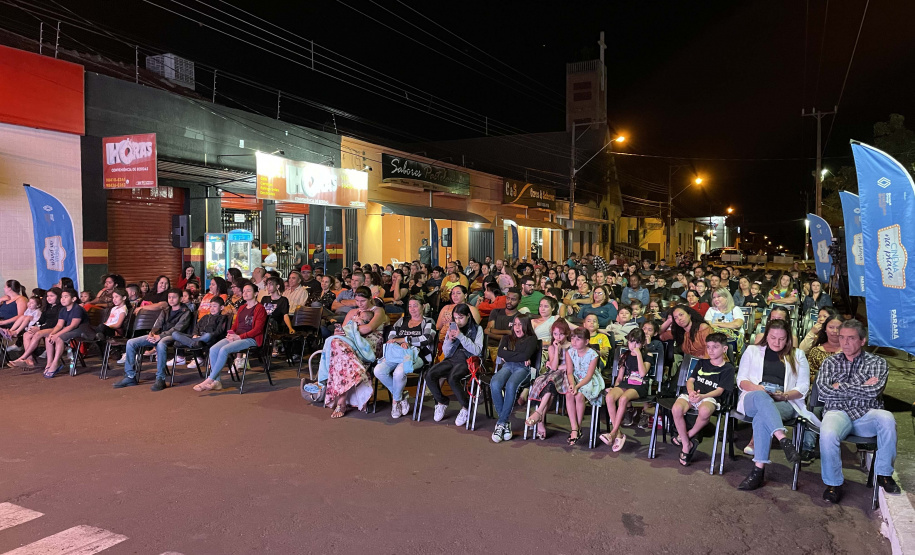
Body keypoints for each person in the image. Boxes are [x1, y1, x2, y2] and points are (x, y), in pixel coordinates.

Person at [817, 320, 900, 503]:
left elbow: (873, 392)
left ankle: (884, 475)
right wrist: (861, 385)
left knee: (887, 418)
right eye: (842, 338)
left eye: (851, 338)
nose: (845, 343)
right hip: (837, 412)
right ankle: (833, 484)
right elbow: (823, 392)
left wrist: (840, 387)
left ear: (862, 341)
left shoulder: (878, 363)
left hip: (866, 415)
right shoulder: (830, 362)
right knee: (828, 432)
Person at [735, 319, 811, 491]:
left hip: (784, 400)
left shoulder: (797, 355)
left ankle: (757, 471)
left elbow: (803, 388)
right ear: (766, 335)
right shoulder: (752, 350)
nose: (777, 342)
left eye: (782, 339)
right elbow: (741, 380)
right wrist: (759, 390)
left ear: (788, 338)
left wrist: (783, 395)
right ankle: (783, 439)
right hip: (752, 395)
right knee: (762, 399)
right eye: (773, 338)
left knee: (763, 417)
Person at [670, 332, 735, 466]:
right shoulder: (701, 362)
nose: (710, 350)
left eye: (715, 347)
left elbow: (719, 391)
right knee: (676, 409)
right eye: (708, 347)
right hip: (692, 394)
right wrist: (691, 392)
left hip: (709, 397)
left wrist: (702, 396)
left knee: (705, 411)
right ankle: (686, 444)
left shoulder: (728, 368)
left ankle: (686, 436)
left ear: (724, 349)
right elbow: (690, 380)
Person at [319, 286, 385, 416]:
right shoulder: (352, 312)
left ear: (370, 299)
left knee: (338, 348)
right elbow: (342, 331)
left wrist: (352, 330)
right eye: (357, 301)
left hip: (369, 346)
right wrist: (340, 332)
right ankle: (342, 398)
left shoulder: (378, 311)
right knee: (336, 344)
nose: (360, 304)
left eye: (363, 301)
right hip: (349, 346)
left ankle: (332, 392)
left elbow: (368, 329)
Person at [191, 282, 268, 392]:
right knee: (213, 349)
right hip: (237, 336)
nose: (245, 293)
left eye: (248, 291)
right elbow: (236, 325)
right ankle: (217, 382)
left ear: (256, 293)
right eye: (244, 291)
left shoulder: (260, 308)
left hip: (251, 338)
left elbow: (258, 329)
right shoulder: (242, 308)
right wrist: (231, 334)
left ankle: (210, 379)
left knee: (224, 350)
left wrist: (239, 337)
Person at [115, 289, 192, 391]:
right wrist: (153, 333)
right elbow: (157, 324)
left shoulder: (186, 312)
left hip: (175, 336)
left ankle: (161, 378)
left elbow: (177, 329)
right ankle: (130, 376)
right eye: (169, 297)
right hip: (160, 335)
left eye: (174, 297)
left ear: (181, 298)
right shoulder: (166, 310)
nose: (171, 299)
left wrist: (160, 336)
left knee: (161, 344)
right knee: (131, 342)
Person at [374, 298, 436, 419]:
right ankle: (401, 395)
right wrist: (399, 343)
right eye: (410, 306)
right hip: (397, 354)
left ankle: (395, 402)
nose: (412, 309)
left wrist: (405, 340)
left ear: (423, 306)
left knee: (399, 372)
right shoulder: (402, 320)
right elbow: (392, 336)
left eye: (415, 306)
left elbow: (427, 339)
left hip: (418, 355)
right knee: (378, 370)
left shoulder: (428, 321)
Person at [426, 303, 484, 426]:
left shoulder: (477, 329)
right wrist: (450, 340)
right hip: (452, 358)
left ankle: (466, 406)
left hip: (467, 360)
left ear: (468, 316)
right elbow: (446, 352)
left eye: (461, 317)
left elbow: (477, 351)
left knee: (452, 378)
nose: (458, 321)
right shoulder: (452, 328)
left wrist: (461, 337)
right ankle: (441, 402)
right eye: (456, 318)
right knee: (430, 374)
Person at [598, 328, 651, 451]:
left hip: (639, 385)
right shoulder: (625, 355)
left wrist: (638, 355)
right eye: (631, 342)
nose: (633, 345)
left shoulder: (647, 355)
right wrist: (614, 387)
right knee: (609, 396)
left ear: (642, 343)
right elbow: (620, 377)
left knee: (623, 399)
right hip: (625, 383)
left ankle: (613, 433)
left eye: (637, 342)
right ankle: (619, 434)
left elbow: (642, 373)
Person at [490, 315, 539, 443]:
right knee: (495, 383)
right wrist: (519, 357)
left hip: (523, 369)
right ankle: (504, 423)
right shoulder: (507, 338)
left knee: (511, 385)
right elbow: (501, 353)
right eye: (515, 324)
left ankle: (501, 423)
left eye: (520, 324)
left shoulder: (532, 339)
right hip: (507, 366)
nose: (517, 327)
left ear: (526, 326)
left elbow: (526, 355)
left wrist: (510, 355)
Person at [526, 319, 572, 440]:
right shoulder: (552, 347)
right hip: (553, 376)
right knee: (550, 387)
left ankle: (539, 415)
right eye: (555, 334)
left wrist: (562, 366)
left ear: (567, 333)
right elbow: (555, 366)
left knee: (552, 381)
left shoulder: (572, 346)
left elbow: (572, 365)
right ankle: (540, 417)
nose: (558, 337)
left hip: (568, 376)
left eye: (561, 334)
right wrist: (557, 350)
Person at [564, 326, 605, 446]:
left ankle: (578, 426)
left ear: (586, 341)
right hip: (575, 378)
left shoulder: (593, 354)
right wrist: (572, 385)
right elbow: (570, 372)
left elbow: (589, 375)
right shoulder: (569, 352)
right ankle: (574, 428)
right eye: (573, 338)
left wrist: (577, 387)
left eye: (578, 339)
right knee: (569, 394)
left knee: (579, 395)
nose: (574, 342)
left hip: (589, 380)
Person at [42, 288, 93, 378]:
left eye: (66, 297)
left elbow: (73, 325)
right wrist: (52, 333)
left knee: (59, 338)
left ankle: (55, 363)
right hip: (70, 330)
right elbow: (59, 325)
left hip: (81, 330)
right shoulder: (63, 310)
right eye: (62, 297)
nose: (63, 299)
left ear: (73, 299)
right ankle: (49, 362)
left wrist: (57, 335)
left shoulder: (77, 309)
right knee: (48, 337)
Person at [170, 296, 229, 370]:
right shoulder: (205, 317)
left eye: (214, 306)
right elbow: (196, 327)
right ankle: (194, 343)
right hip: (198, 337)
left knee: (207, 335)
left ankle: (194, 346)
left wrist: (206, 336)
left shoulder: (222, 318)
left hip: (210, 339)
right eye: (210, 306)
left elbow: (219, 331)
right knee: (175, 334)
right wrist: (195, 335)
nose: (212, 308)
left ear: (221, 307)